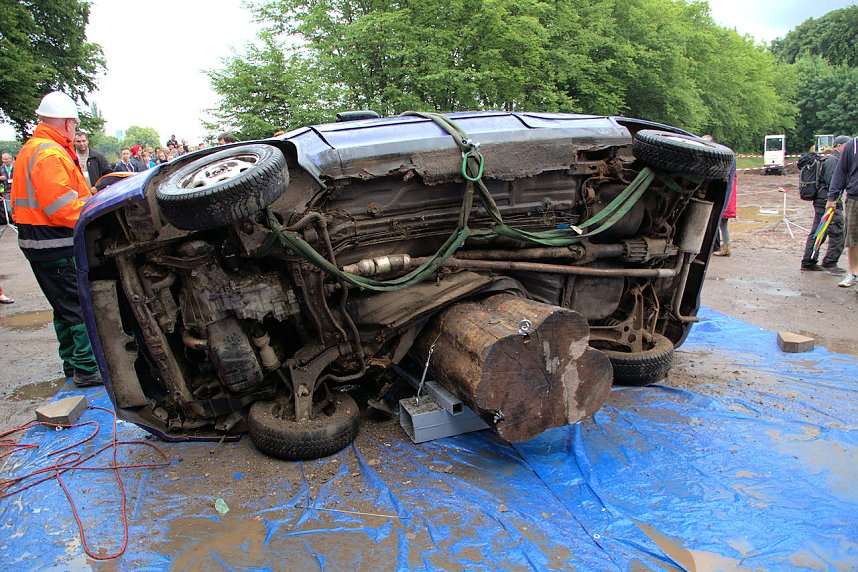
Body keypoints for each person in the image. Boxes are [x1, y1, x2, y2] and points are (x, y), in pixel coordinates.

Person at [9, 91, 102, 387]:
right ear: (66, 123)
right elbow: (61, 207)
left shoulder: (31, 148)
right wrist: (95, 212)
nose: (75, 130)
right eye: (74, 124)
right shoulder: (49, 153)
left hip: (38, 241)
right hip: (56, 241)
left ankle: (72, 363)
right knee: (79, 305)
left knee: (63, 306)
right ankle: (87, 368)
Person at [801, 135, 849, 273]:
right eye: (847, 145)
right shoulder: (834, 161)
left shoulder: (832, 159)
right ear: (839, 146)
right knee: (838, 232)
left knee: (819, 231)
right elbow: (832, 182)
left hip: (823, 200)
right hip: (828, 201)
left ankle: (809, 261)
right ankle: (829, 263)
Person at [827, 136, 858, 289]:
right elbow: (840, 172)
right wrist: (832, 198)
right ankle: (853, 273)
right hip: (855, 198)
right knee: (852, 238)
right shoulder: (852, 145)